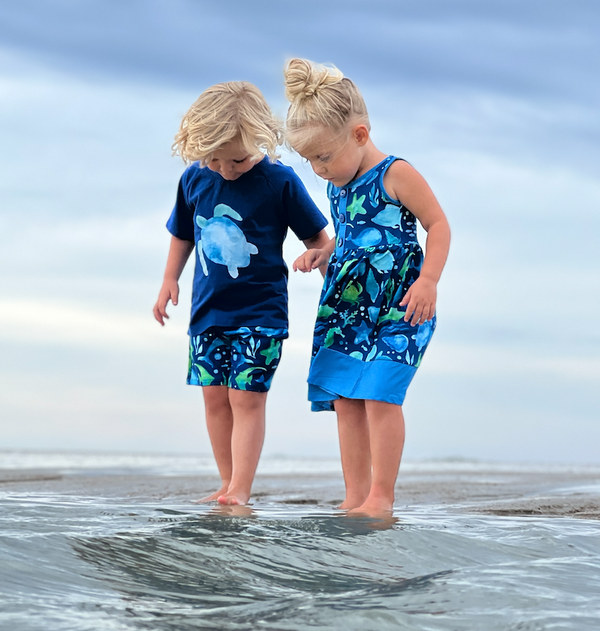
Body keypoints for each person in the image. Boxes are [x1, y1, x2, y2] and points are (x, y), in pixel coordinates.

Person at [284, 59, 451, 515]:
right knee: (346, 402)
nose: (318, 170)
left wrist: (429, 281)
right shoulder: (337, 186)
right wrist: (326, 252)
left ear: (359, 135)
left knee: (379, 395)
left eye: (323, 156)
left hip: (400, 307)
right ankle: (355, 496)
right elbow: (356, 236)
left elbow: (438, 225)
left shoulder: (396, 174)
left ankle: (381, 496)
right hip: (347, 311)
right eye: (309, 160)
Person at [153, 81, 329, 506]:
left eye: (236, 159)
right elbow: (182, 234)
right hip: (208, 313)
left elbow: (319, 240)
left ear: (260, 140)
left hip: (261, 314)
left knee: (245, 398)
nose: (227, 169)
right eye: (215, 159)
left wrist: (320, 261)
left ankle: (241, 490)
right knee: (214, 399)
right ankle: (227, 483)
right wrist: (168, 280)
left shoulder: (279, 181)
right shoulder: (194, 178)